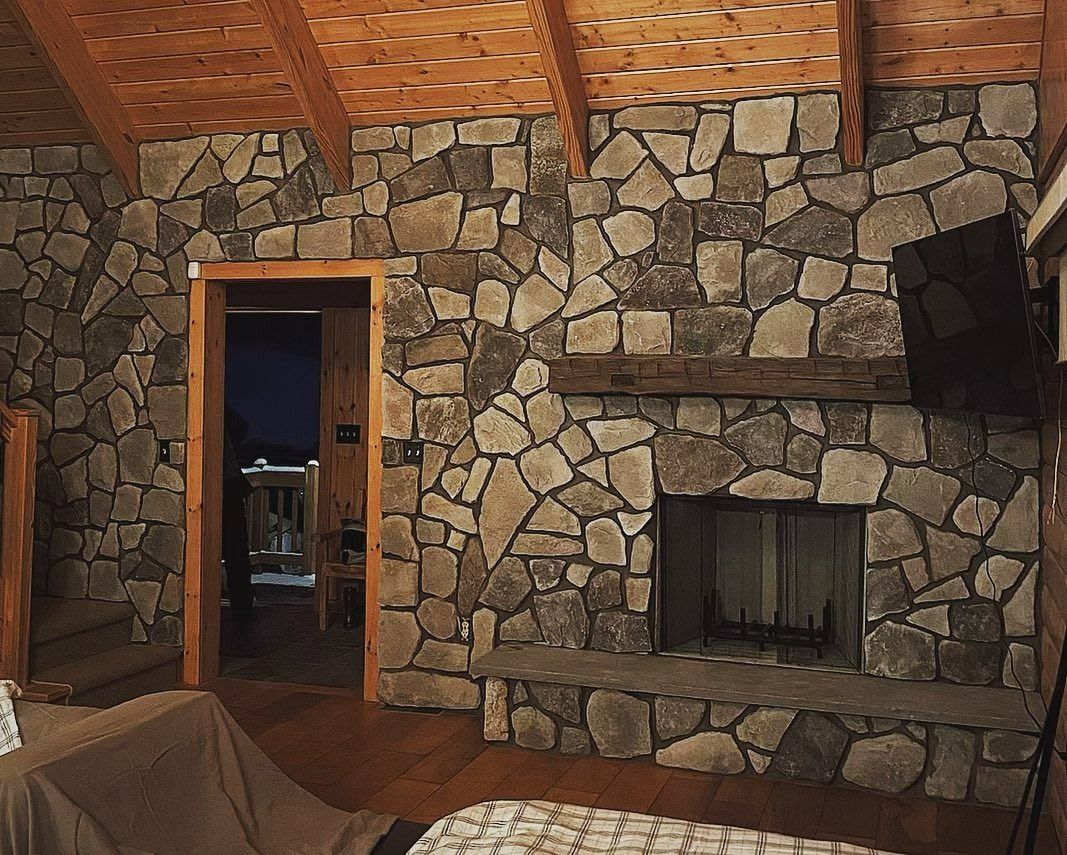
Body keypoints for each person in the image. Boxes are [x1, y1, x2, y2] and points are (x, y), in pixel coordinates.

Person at [222, 408, 255, 619]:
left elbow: (241, 426)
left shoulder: (220, 413)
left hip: (228, 485)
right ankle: (242, 599)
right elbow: (242, 426)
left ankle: (241, 600)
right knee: (237, 549)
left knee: (235, 548)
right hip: (230, 484)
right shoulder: (226, 416)